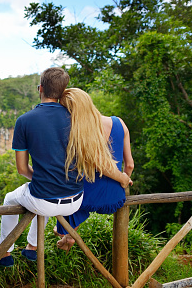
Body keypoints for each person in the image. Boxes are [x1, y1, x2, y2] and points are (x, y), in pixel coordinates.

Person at [0, 69, 131, 267]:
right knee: (41, 196)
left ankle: (4, 254)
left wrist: (44, 178)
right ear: (63, 90)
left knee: (12, 198)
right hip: (76, 199)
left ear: (40, 88)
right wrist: (122, 177)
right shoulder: (76, 118)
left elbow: (22, 169)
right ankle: (31, 248)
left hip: (46, 200)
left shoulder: (24, 120)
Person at [54, 88, 135, 252]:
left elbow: (100, 165)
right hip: (116, 198)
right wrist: (124, 181)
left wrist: (121, 178)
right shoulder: (119, 123)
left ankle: (65, 232)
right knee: (76, 197)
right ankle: (68, 234)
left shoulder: (79, 131)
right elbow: (130, 165)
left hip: (89, 196)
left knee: (64, 197)